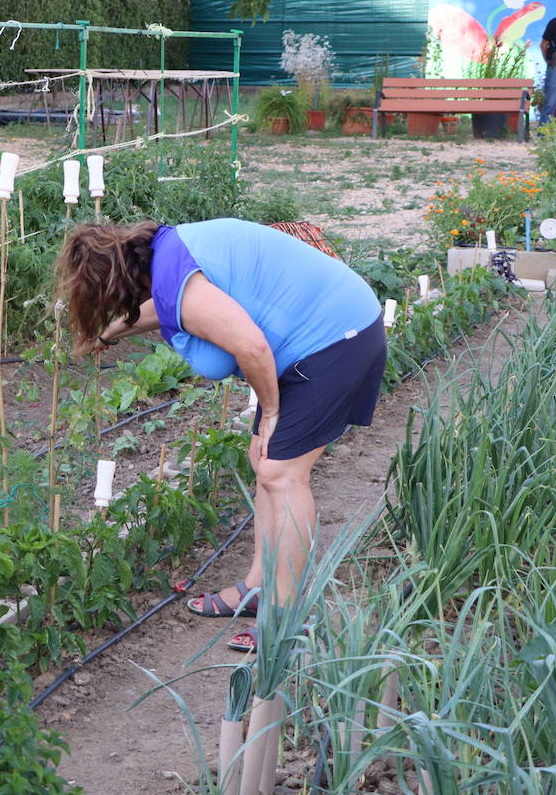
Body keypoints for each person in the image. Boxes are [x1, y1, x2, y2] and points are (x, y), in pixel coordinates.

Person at [54, 218, 386, 653]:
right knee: (262, 460)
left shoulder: (178, 277)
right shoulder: (167, 257)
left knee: (282, 474)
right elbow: (174, 305)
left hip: (337, 337)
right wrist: (111, 333)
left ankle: (286, 619)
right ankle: (258, 587)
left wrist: (270, 411)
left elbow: (250, 347)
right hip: (327, 328)